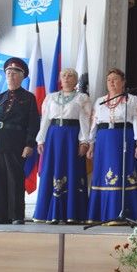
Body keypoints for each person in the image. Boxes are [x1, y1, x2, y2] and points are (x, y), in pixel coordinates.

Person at [0, 57, 40, 225]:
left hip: (16, 143)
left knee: (15, 179)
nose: (10, 76)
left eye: (14, 73)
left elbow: (33, 123)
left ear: (22, 76)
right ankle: (1, 215)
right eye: (8, 73)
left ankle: (17, 215)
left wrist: (29, 144)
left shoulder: (28, 98)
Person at [85, 68, 137, 224]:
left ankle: (126, 213)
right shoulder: (100, 101)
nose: (111, 82)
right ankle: (101, 215)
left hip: (123, 139)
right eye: (109, 80)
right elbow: (94, 124)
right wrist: (91, 144)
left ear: (123, 82)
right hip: (103, 141)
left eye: (115, 79)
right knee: (103, 174)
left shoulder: (132, 100)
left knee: (123, 172)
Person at [33, 68, 92, 224]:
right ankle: (49, 213)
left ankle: (72, 213)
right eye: (64, 75)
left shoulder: (82, 98)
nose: (66, 78)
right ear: (60, 79)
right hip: (53, 137)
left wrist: (84, 141)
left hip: (71, 137)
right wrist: (41, 140)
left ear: (76, 80)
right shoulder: (51, 97)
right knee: (52, 170)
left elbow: (85, 120)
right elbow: (45, 119)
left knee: (72, 170)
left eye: (70, 75)